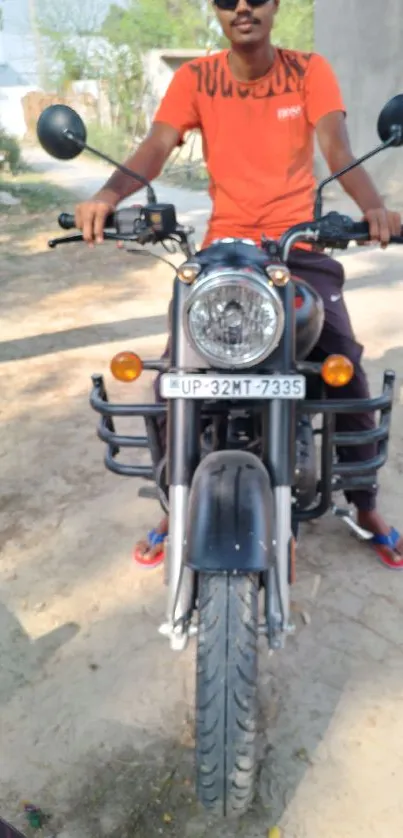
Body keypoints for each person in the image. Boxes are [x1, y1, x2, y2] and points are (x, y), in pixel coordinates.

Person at [75, 0, 402, 569]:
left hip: (297, 249)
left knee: (344, 366)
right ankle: (176, 502)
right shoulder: (196, 77)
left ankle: (365, 502)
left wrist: (374, 208)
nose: (243, 6)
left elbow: (336, 147)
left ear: (276, 5)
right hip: (224, 251)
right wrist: (108, 197)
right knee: (175, 377)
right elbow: (156, 145)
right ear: (215, 9)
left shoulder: (308, 70)